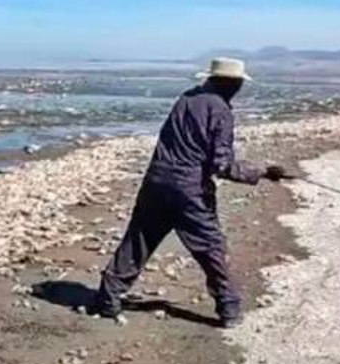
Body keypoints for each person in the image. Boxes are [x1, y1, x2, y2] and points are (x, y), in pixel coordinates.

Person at [94, 58, 287, 329]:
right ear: (231, 83)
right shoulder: (220, 109)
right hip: (189, 190)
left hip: (157, 181)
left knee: (139, 240)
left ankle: (107, 298)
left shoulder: (187, 98)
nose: (240, 87)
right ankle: (229, 309)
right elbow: (221, 165)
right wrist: (262, 172)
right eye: (239, 83)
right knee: (211, 248)